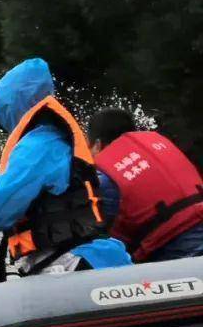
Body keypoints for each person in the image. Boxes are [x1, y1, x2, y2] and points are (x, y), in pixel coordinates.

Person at [0, 57, 131, 278]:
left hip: (70, 264)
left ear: (12, 105)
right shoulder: (55, 137)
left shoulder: (36, 145)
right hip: (96, 257)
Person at [87, 108, 203, 262]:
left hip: (177, 248)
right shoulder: (159, 142)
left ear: (97, 144)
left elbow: (106, 238)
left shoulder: (105, 176)